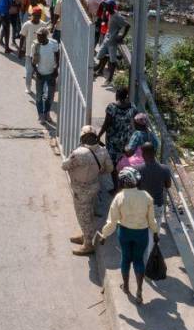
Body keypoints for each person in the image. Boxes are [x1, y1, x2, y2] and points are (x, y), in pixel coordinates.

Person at [99, 167, 159, 304]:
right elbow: (151, 220)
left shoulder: (119, 198)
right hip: (141, 234)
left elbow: (112, 221)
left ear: (122, 182)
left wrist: (104, 235)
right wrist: (155, 232)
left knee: (126, 258)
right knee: (138, 260)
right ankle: (139, 291)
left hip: (125, 232)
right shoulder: (146, 196)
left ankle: (125, 286)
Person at [61, 126, 113, 256]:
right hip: (94, 186)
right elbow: (109, 169)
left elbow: (64, 166)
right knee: (88, 213)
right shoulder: (103, 151)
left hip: (81, 189)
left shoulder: (79, 153)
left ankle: (88, 245)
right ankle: (85, 235)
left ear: (82, 137)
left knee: (83, 216)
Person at [136, 142, 171, 264]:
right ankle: (151, 261)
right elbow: (168, 185)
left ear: (143, 153)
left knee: (142, 232)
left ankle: (142, 260)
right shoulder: (165, 169)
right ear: (154, 153)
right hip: (157, 206)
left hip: (142, 206)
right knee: (154, 232)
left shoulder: (138, 169)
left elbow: (136, 187)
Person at [98, 86, 137, 193]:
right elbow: (135, 121)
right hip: (126, 141)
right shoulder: (132, 107)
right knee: (124, 163)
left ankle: (116, 188)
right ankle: (125, 185)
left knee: (114, 165)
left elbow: (106, 124)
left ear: (117, 95)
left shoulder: (112, 108)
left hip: (113, 142)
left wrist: (98, 136)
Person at [31, 27, 60, 122]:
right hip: (40, 74)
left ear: (45, 36)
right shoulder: (35, 46)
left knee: (50, 96)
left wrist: (56, 68)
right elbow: (33, 61)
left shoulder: (53, 44)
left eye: (40, 36)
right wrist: (36, 71)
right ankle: (40, 115)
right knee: (39, 96)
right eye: (37, 36)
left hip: (51, 74)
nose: (38, 38)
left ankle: (47, 113)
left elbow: (57, 55)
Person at [96, 1, 129, 83]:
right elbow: (104, 20)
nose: (105, 8)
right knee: (100, 55)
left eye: (106, 6)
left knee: (112, 60)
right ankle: (100, 70)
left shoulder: (117, 16)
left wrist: (122, 36)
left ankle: (109, 78)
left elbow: (128, 25)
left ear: (111, 7)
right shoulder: (109, 13)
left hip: (113, 41)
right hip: (107, 38)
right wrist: (104, 11)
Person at [18, 7, 48, 94]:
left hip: (41, 53)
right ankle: (28, 87)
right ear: (32, 15)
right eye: (35, 15)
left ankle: (42, 90)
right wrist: (20, 50)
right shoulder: (27, 25)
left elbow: (47, 38)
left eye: (39, 15)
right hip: (29, 53)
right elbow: (22, 37)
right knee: (29, 72)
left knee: (41, 71)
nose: (37, 17)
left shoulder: (43, 25)